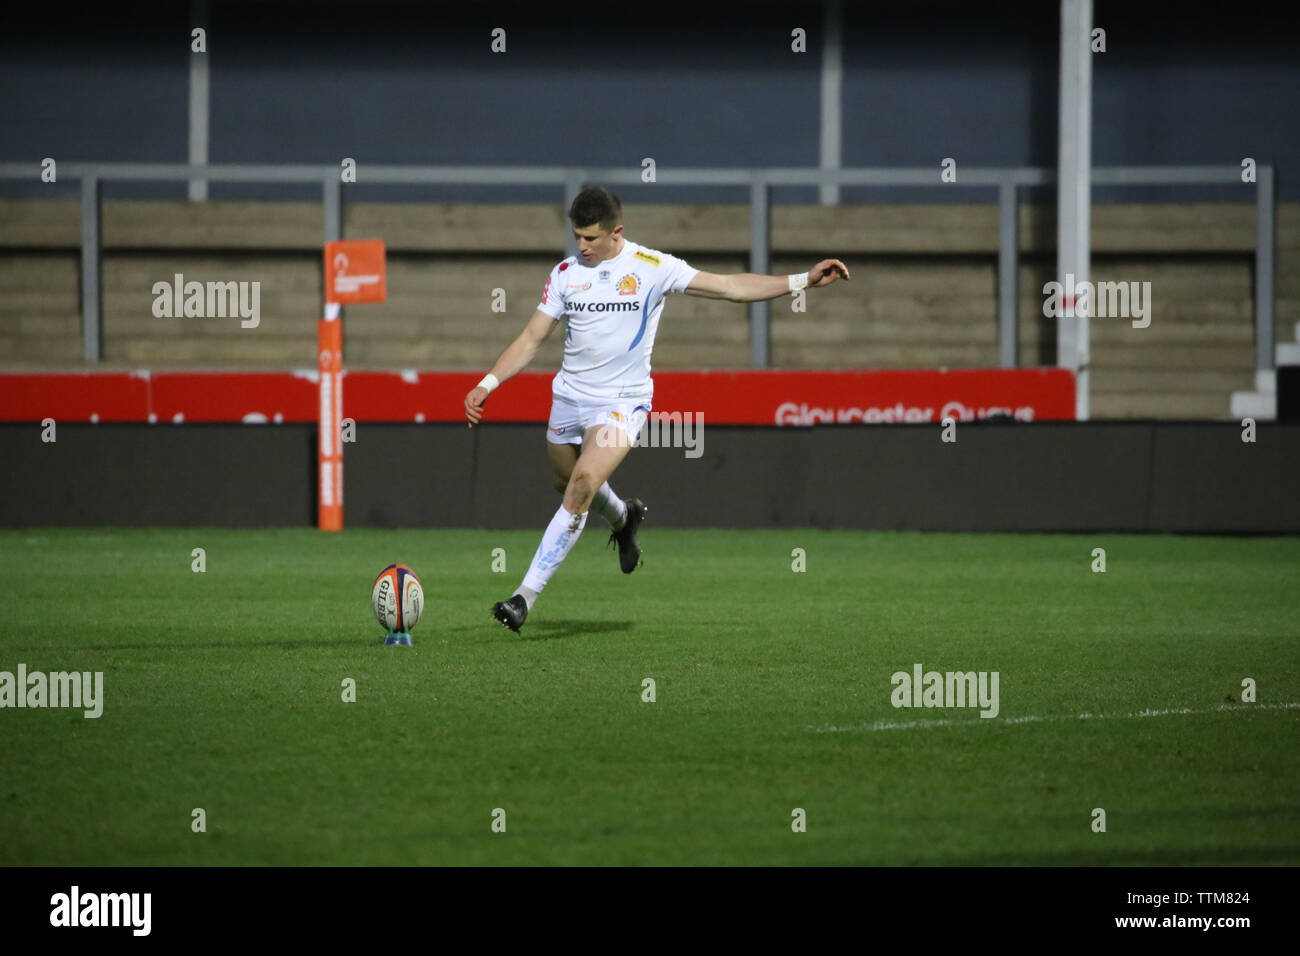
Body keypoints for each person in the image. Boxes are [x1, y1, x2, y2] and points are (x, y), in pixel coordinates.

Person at [464, 186, 849, 632]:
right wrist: (488, 382)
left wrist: (802, 280)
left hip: (623, 402)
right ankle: (625, 518)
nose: (581, 246)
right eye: (576, 236)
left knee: (582, 485)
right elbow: (532, 338)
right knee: (565, 481)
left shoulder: (652, 267)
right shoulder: (566, 273)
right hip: (569, 397)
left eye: (590, 238)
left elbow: (728, 287)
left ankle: (523, 598)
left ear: (616, 232)